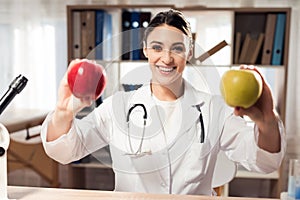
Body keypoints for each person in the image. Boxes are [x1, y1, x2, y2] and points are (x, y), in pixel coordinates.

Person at [41, 9, 286, 195]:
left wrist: (266, 120)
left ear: (189, 52)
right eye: (157, 47)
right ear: (146, 49)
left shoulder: (215, 109)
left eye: (177, 48)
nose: (166, 59)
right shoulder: (119, 107)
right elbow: (65, 151)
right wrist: (64, 111)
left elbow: (263, 161)